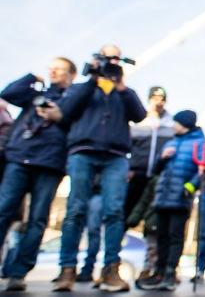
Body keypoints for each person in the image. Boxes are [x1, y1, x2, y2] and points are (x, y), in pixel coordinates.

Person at [41, 45, 147, 292]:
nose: (110, 62)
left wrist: (121, 87)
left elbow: (139, 115)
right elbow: (66, 110)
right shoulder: (82, 88)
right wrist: (93, 79)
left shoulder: (123, 92)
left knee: (114, 212)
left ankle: (111, 269)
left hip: (116, 156)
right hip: (83, 152)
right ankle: (67, 269)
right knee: (75, 210)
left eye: (115, 58)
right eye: (106, 57)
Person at [0, 57, 76, 291]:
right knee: (3, 210)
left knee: (37, 219)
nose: (54, 72)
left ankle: (18, 271)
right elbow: (8, 94)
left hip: (51, 163)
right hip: (20, 157)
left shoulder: (74, 99)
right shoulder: (35, 94)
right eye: (52, 68)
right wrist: (33, 77)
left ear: (71, 75)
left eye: (60, 69)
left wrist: (59, 116)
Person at [138, 110, 205, 291]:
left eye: (176, 122)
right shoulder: (171, 142)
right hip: (163, 197)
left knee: (175, 237)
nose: (173, 125)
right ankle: (158, 272)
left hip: (180, 198)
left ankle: (170, 273)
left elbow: (203, 171)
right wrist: (162, 158)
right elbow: (155, 170)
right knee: (162, 236)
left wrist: (189, 187)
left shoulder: (199, 144)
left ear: (184, 123)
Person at [127, 87, 174, 231]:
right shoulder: (138, 121)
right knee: (127, 212)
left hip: (157, 178)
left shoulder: (171, 125)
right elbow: (126, 147)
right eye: (155, 98)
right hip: (136, 175)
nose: (159, 102)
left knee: (152, 219)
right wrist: (129, 168)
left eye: (162, 99)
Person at [126, 175, 159, 289]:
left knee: (160, 250)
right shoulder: (155, 181)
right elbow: (144, 202)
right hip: (152, 221)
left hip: (168, 222)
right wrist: (134, 217)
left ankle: (161, 273)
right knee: (151, 249)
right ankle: (147, 271)